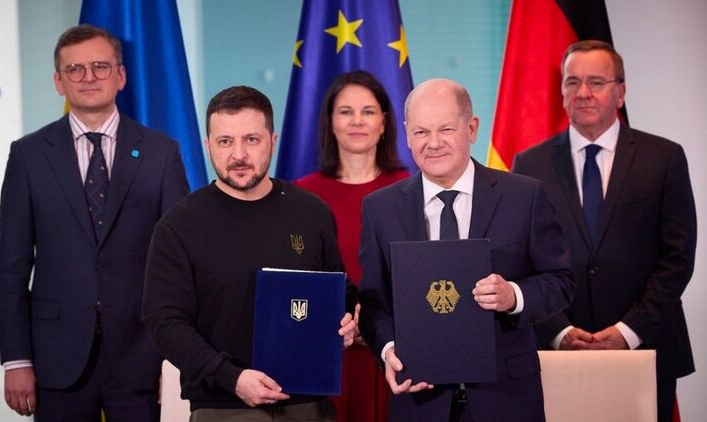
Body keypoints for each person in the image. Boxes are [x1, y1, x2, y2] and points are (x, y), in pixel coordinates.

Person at [0, 24, 189, 420]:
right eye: (75, 69)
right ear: (58, 81)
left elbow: (179, 264)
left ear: (121, 76)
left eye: (100, 66)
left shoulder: (161, 153)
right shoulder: (28, 156)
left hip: (142, 353)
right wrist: (16, 359)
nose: (88, 77)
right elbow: (12, 266)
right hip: (55, 356)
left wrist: (173, 357)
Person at [357, 78, 574, 421]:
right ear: (407, 134)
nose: (433, 143)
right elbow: (373, 302)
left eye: (446, 129)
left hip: (506, 399)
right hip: (419, 399)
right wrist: (388, 350)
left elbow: (561, 280)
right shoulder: (379, 208)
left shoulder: (524, 196)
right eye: (421, 132)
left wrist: (514, 296)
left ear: (471, 128)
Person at [142, 86, 356, 421]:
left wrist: (347, 320)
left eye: (251, 140)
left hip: (308, 403)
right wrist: (232, 377)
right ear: (208, 146)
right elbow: (164, 323)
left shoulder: (312, 212)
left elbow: (338, 290)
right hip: (223, 406)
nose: (238, 154)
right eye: (225, 141)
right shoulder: (178, 226)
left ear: (273, 141)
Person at [512, 40, 697, 422]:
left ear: (620, 91)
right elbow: (520, 259)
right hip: (556, 352)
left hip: (648, 346)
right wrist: (559, 331)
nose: (583, 93)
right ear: (562, 92)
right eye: (572, 82)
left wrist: (630, 330)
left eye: (596, 82)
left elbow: (677, 258)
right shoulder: (529, 165)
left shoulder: (664, 158)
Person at [295, 70, 409, 422]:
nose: (357, 121)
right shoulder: (301, 196)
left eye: (368, 111)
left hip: (397, 354)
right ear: (330, 122)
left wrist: (375, 327)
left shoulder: (412, 190)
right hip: (326, 352)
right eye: (346, 112)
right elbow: (296, 278)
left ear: (384, 122)